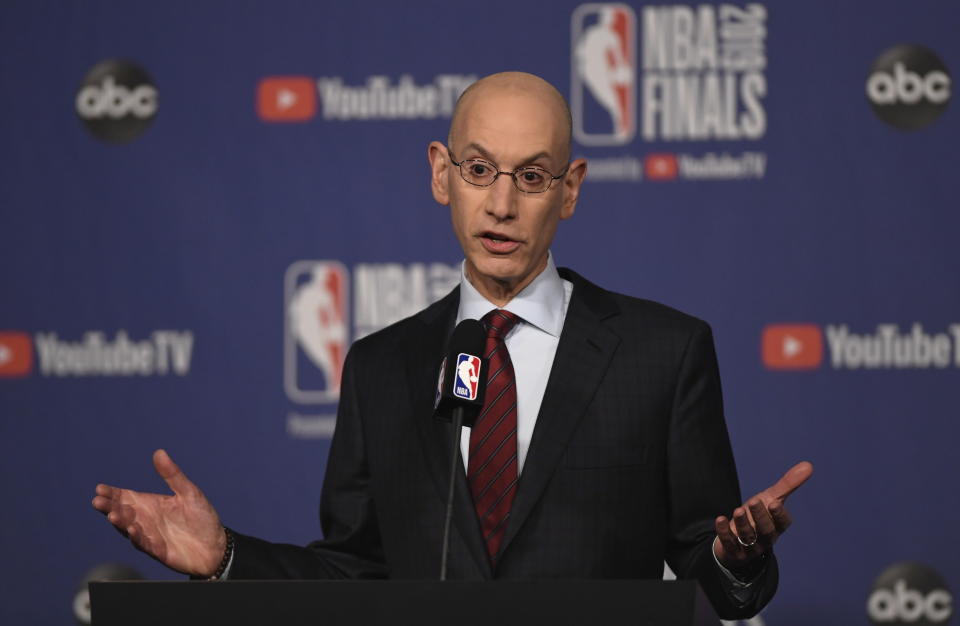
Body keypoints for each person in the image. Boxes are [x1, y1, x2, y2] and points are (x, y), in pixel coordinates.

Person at [92, 71, 812, 620]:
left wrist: (735, 554)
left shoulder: (664, 353)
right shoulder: (382, 369)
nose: (501, 203)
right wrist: (226, 560)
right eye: (478, 170)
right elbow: (356, 573)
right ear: (442, 173)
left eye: (531, 177)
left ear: (570, 189)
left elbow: (717, 584)